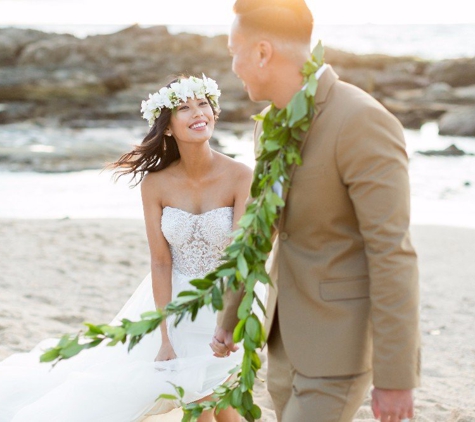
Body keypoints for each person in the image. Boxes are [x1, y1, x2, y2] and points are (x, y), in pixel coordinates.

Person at [211, 1, 421, 422]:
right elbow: (257, 229)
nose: (233, 65)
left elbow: (392, 252)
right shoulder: (268, 124)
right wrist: (227, 317)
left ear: (263, 52)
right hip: (283, 344)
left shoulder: (361, 121)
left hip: (338, 350)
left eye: (235, 50)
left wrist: (396, 377)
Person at [0, 75, 251, 422]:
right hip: (174, 306)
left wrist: (231, 320)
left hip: (227, 301)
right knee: (203, 404)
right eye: (184, 107)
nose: (198, 113)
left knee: (217, 400)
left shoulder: (240, 175)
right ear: (166, 127)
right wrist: (165, 338)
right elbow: (161, 263)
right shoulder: (156, 184)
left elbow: (241, 257)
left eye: (203, 104)